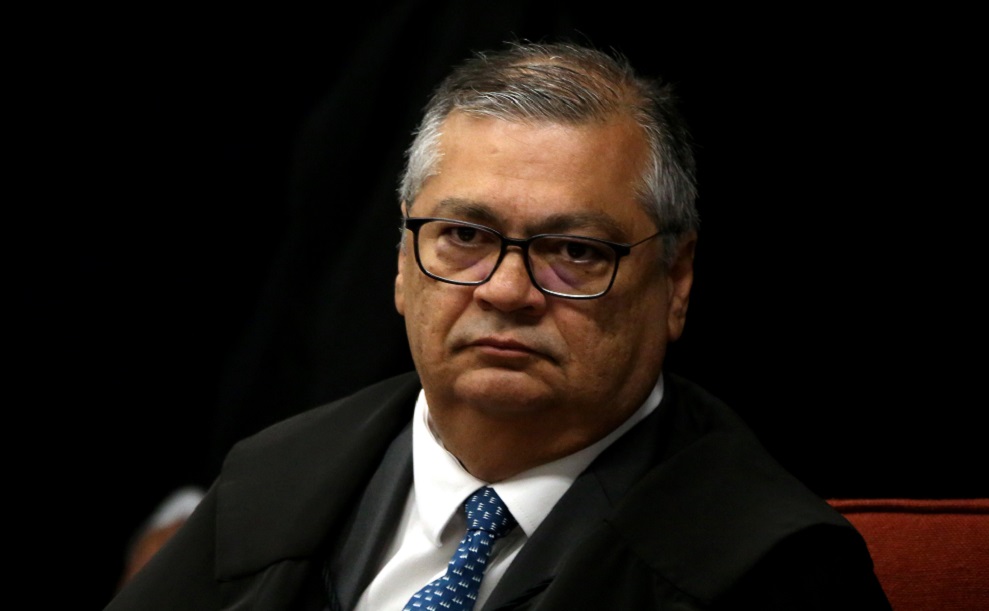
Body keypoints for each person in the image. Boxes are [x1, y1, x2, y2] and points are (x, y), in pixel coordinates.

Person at [106, 40, 890, 610]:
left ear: (675, 279)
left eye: (575, 250)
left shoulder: (771, 567)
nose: (507, 290)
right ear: (402, 258)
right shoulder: (272, 478)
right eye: (465, 236)